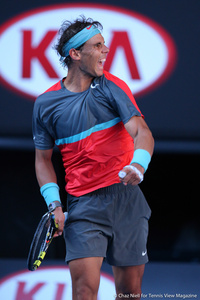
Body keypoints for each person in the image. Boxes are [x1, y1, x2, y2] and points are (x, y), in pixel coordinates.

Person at [32, 16, 154, 300]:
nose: (106, 50)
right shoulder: (45, 104)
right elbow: (42, 160)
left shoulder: (112, 86)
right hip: (84, 206)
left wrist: (138, 164)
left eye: (104, 44)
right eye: (98, 45)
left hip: (127, 199)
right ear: (75, 54)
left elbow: (142, 132)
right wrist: (54, 205)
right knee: (85, 290)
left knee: (129, 292)